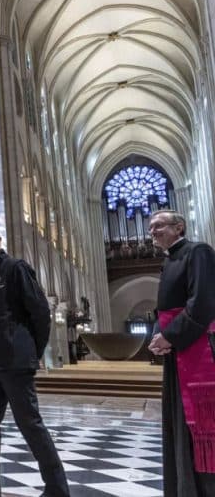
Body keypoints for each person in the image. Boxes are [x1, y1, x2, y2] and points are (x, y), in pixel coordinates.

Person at [0, 221, 69, 497]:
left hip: (15, 362)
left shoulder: (15, 268)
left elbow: (39, 312)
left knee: (30, 425)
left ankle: (57, 489)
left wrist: (32, 353)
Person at [146, 209, 215, 496]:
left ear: (179, 227)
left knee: (200, 426)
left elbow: (202, 302)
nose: (153, 231)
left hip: (196, 349)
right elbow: (165, 309)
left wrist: (170, 336)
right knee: (180, 425)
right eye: (150, 228)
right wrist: (156, 336)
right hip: (178, 352)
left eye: (159, 226)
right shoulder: (169, 261)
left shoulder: (197, 252)